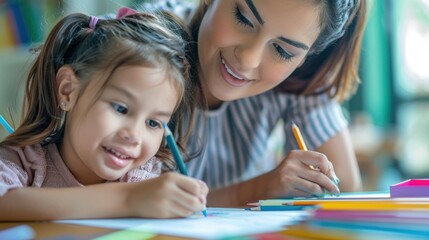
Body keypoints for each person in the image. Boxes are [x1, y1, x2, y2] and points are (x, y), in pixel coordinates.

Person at [144, 0, 367, 207]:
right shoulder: (135, 46)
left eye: (282, 51)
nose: (248, 58)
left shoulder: (298, 79)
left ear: (305, 59)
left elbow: (344, 188)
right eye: (243, 18)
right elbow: (126, 201)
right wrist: (260, 189)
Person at [0, 8, 208, 221]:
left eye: (153, 123)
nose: (134, 135)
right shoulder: (24, 162)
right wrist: (127, 199)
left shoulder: (142, 176)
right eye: (121, 108)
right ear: (68, 91)